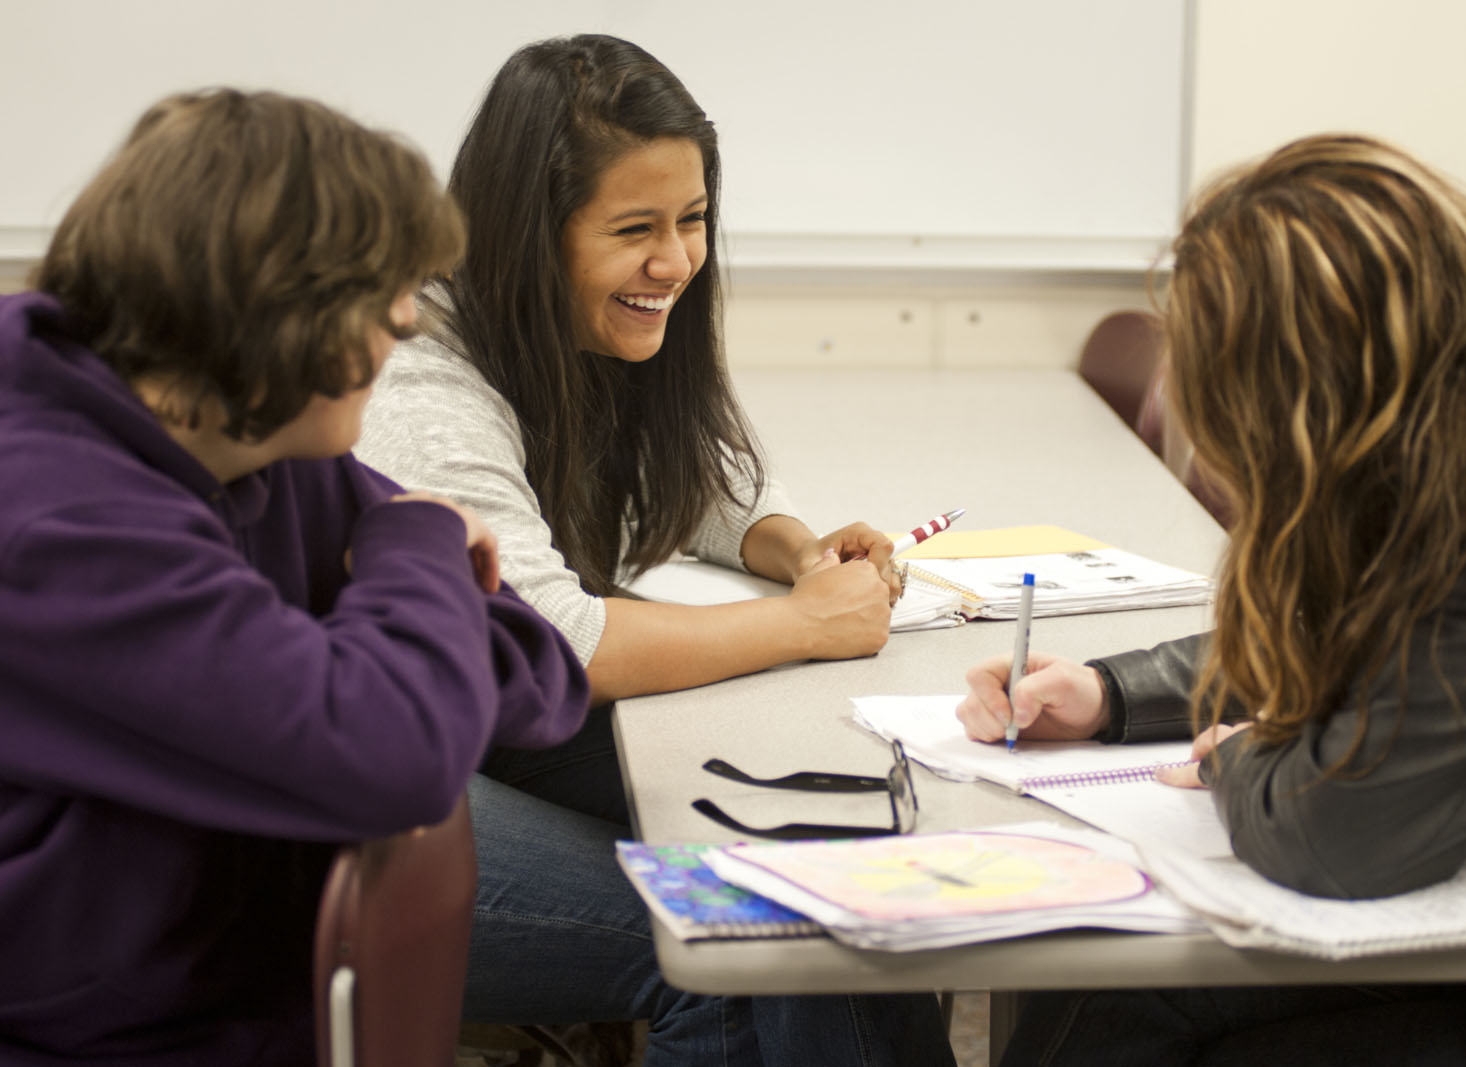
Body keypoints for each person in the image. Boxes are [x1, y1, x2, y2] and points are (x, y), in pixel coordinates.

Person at [354, 36, 952, 1063]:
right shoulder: (427, 378)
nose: (674, 260)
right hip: (372, 791)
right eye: (635, 228)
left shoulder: (587, 327)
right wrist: (800, 622)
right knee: (748, 935)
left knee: (834, 867)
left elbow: (706, 483)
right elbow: (556, 638)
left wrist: (797, 551)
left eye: (693, 220)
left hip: (480, 721)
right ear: (525, 236)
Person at [957, 134, 1466, 1065]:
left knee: (1138, 1001)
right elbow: (1354, 629)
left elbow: (1332, 833)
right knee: (1104, 977)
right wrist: (1114, 692)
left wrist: (1241, 756)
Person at [0, 89, 590, 1064]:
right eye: (383, 292)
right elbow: (397, 749)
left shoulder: (262, 440)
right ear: (280, 308)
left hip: (242, 993)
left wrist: (398, 621)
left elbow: (536, 669)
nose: (407, 320)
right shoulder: (54, 521)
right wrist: (415, 550)